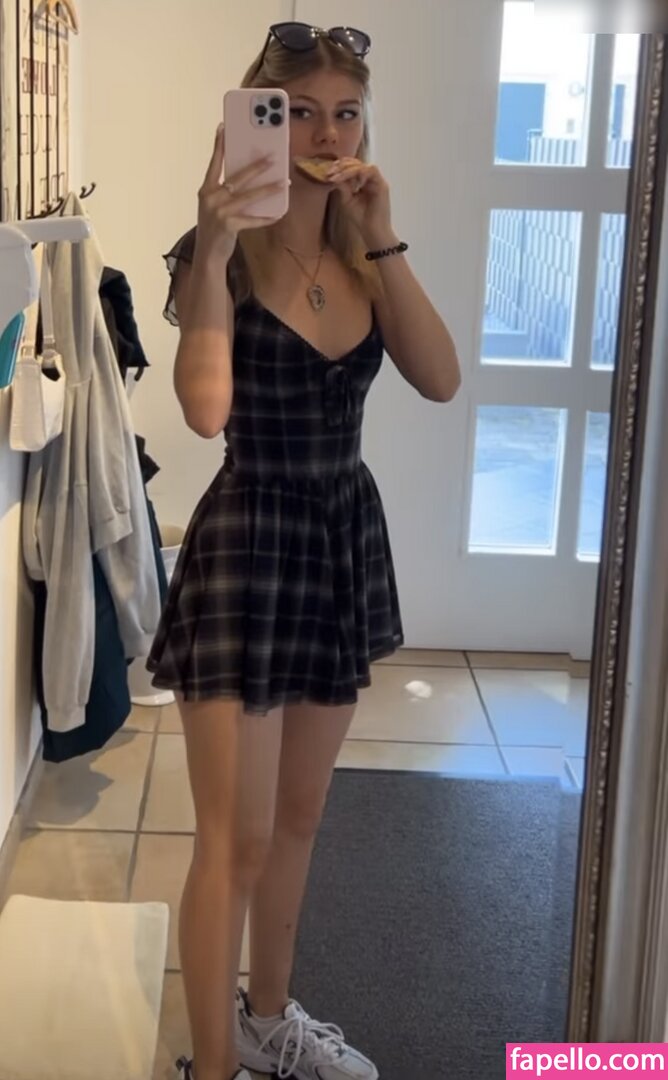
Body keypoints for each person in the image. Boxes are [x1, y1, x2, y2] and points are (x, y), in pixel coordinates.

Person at [146, 21, 461, 1080]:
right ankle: (212, 1067)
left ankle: (266, 1020)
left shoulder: (366, 257)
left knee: (297, 819)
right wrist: (213, 243)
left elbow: (440, 377)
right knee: (230, 841)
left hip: (337, 538)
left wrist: (383, 233)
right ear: (257, 123)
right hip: (249, 545)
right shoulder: (214, 258)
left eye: (346, 113)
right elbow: (204, 412)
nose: (326, 134)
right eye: (298, 113)